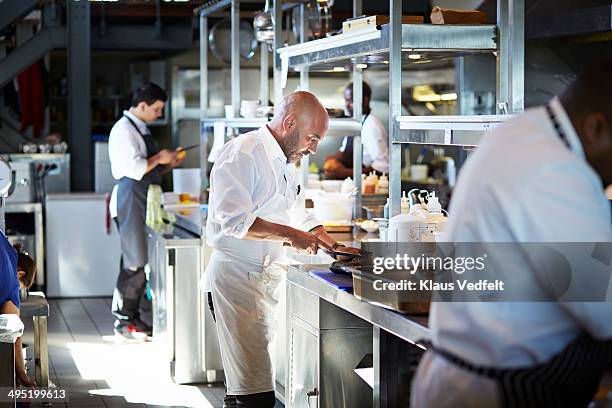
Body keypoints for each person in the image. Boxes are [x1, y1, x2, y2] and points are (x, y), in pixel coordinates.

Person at [411, 60, 612, 407]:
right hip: (496, 391)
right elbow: (604, 311)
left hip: (465, 377)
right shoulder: (555, 170)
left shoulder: (525, 132)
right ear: (595, 128)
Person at [205, 91, 361, 407]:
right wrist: (291, 236)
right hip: (236, 283)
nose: (314, 148)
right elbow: (235, 221)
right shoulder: (243, 153)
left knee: (244, 391)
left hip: (262, 281)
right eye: (312, 138)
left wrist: (332, 246)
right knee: (256, 397)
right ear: (289, 123)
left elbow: (295, 212)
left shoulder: (287, 162)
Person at [108, 83, 184, 341]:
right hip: (130, 198)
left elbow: (149, 170)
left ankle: (132, 318)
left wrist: (167, 163)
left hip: (141, 198)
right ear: (142, 106)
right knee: (134, 262)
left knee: (137, 259)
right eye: (157, 109)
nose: (159, 114)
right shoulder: (123, 130)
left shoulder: (138, 127)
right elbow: (135, 168)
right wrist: (160, 158)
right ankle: (123, 322)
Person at [323, 82, 389, 179]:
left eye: (350, 101)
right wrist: (332, 160)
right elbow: (344, 150)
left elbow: (383, 166)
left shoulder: (371, 125)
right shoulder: (356, 122)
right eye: (346, 101)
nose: (347, 105)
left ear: (365, 101)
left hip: (367, 185)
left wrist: (344, 172)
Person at [0, 234, 37, 387]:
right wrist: (21, 372)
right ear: (20, 273)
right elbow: (13, 331)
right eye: (20, 288)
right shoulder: (12, 285)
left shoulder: (6, 245)